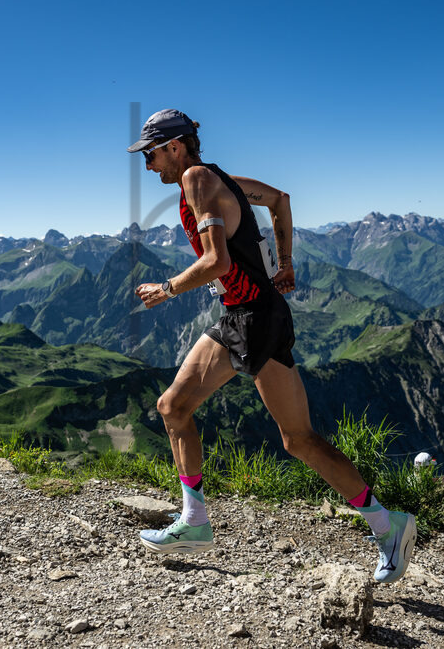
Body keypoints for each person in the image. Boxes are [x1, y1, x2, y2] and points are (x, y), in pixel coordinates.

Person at [128, 109, 416, 584]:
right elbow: (280, 199)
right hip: (245, 316)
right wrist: (286, 263)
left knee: (293, 438)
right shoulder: (221, 180)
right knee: (177, 407)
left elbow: (218, 262)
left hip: (255, 318)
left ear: (175, 146)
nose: (148, 165)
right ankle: (195, 521)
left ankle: (389, 525)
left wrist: (167, 288)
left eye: (152, 154)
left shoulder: (197, 180)